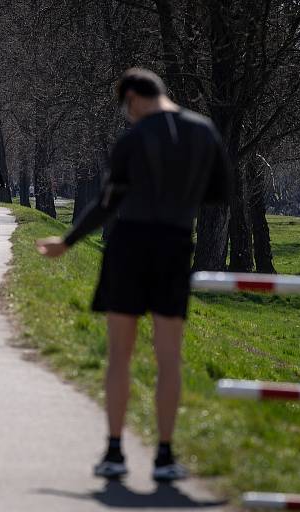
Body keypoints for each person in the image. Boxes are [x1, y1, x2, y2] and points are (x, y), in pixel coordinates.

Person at [36, 68, 231, 482]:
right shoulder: (205, 131)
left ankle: (114, 452)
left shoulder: (133, 138)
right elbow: (218, 193)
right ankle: (164, 456)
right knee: (168, 357)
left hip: (129, 247)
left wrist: (67, 241)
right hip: (176, 245)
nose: (129, 116)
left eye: (127, 108)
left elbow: (108, 203)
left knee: (120, 356)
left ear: (135, 99)